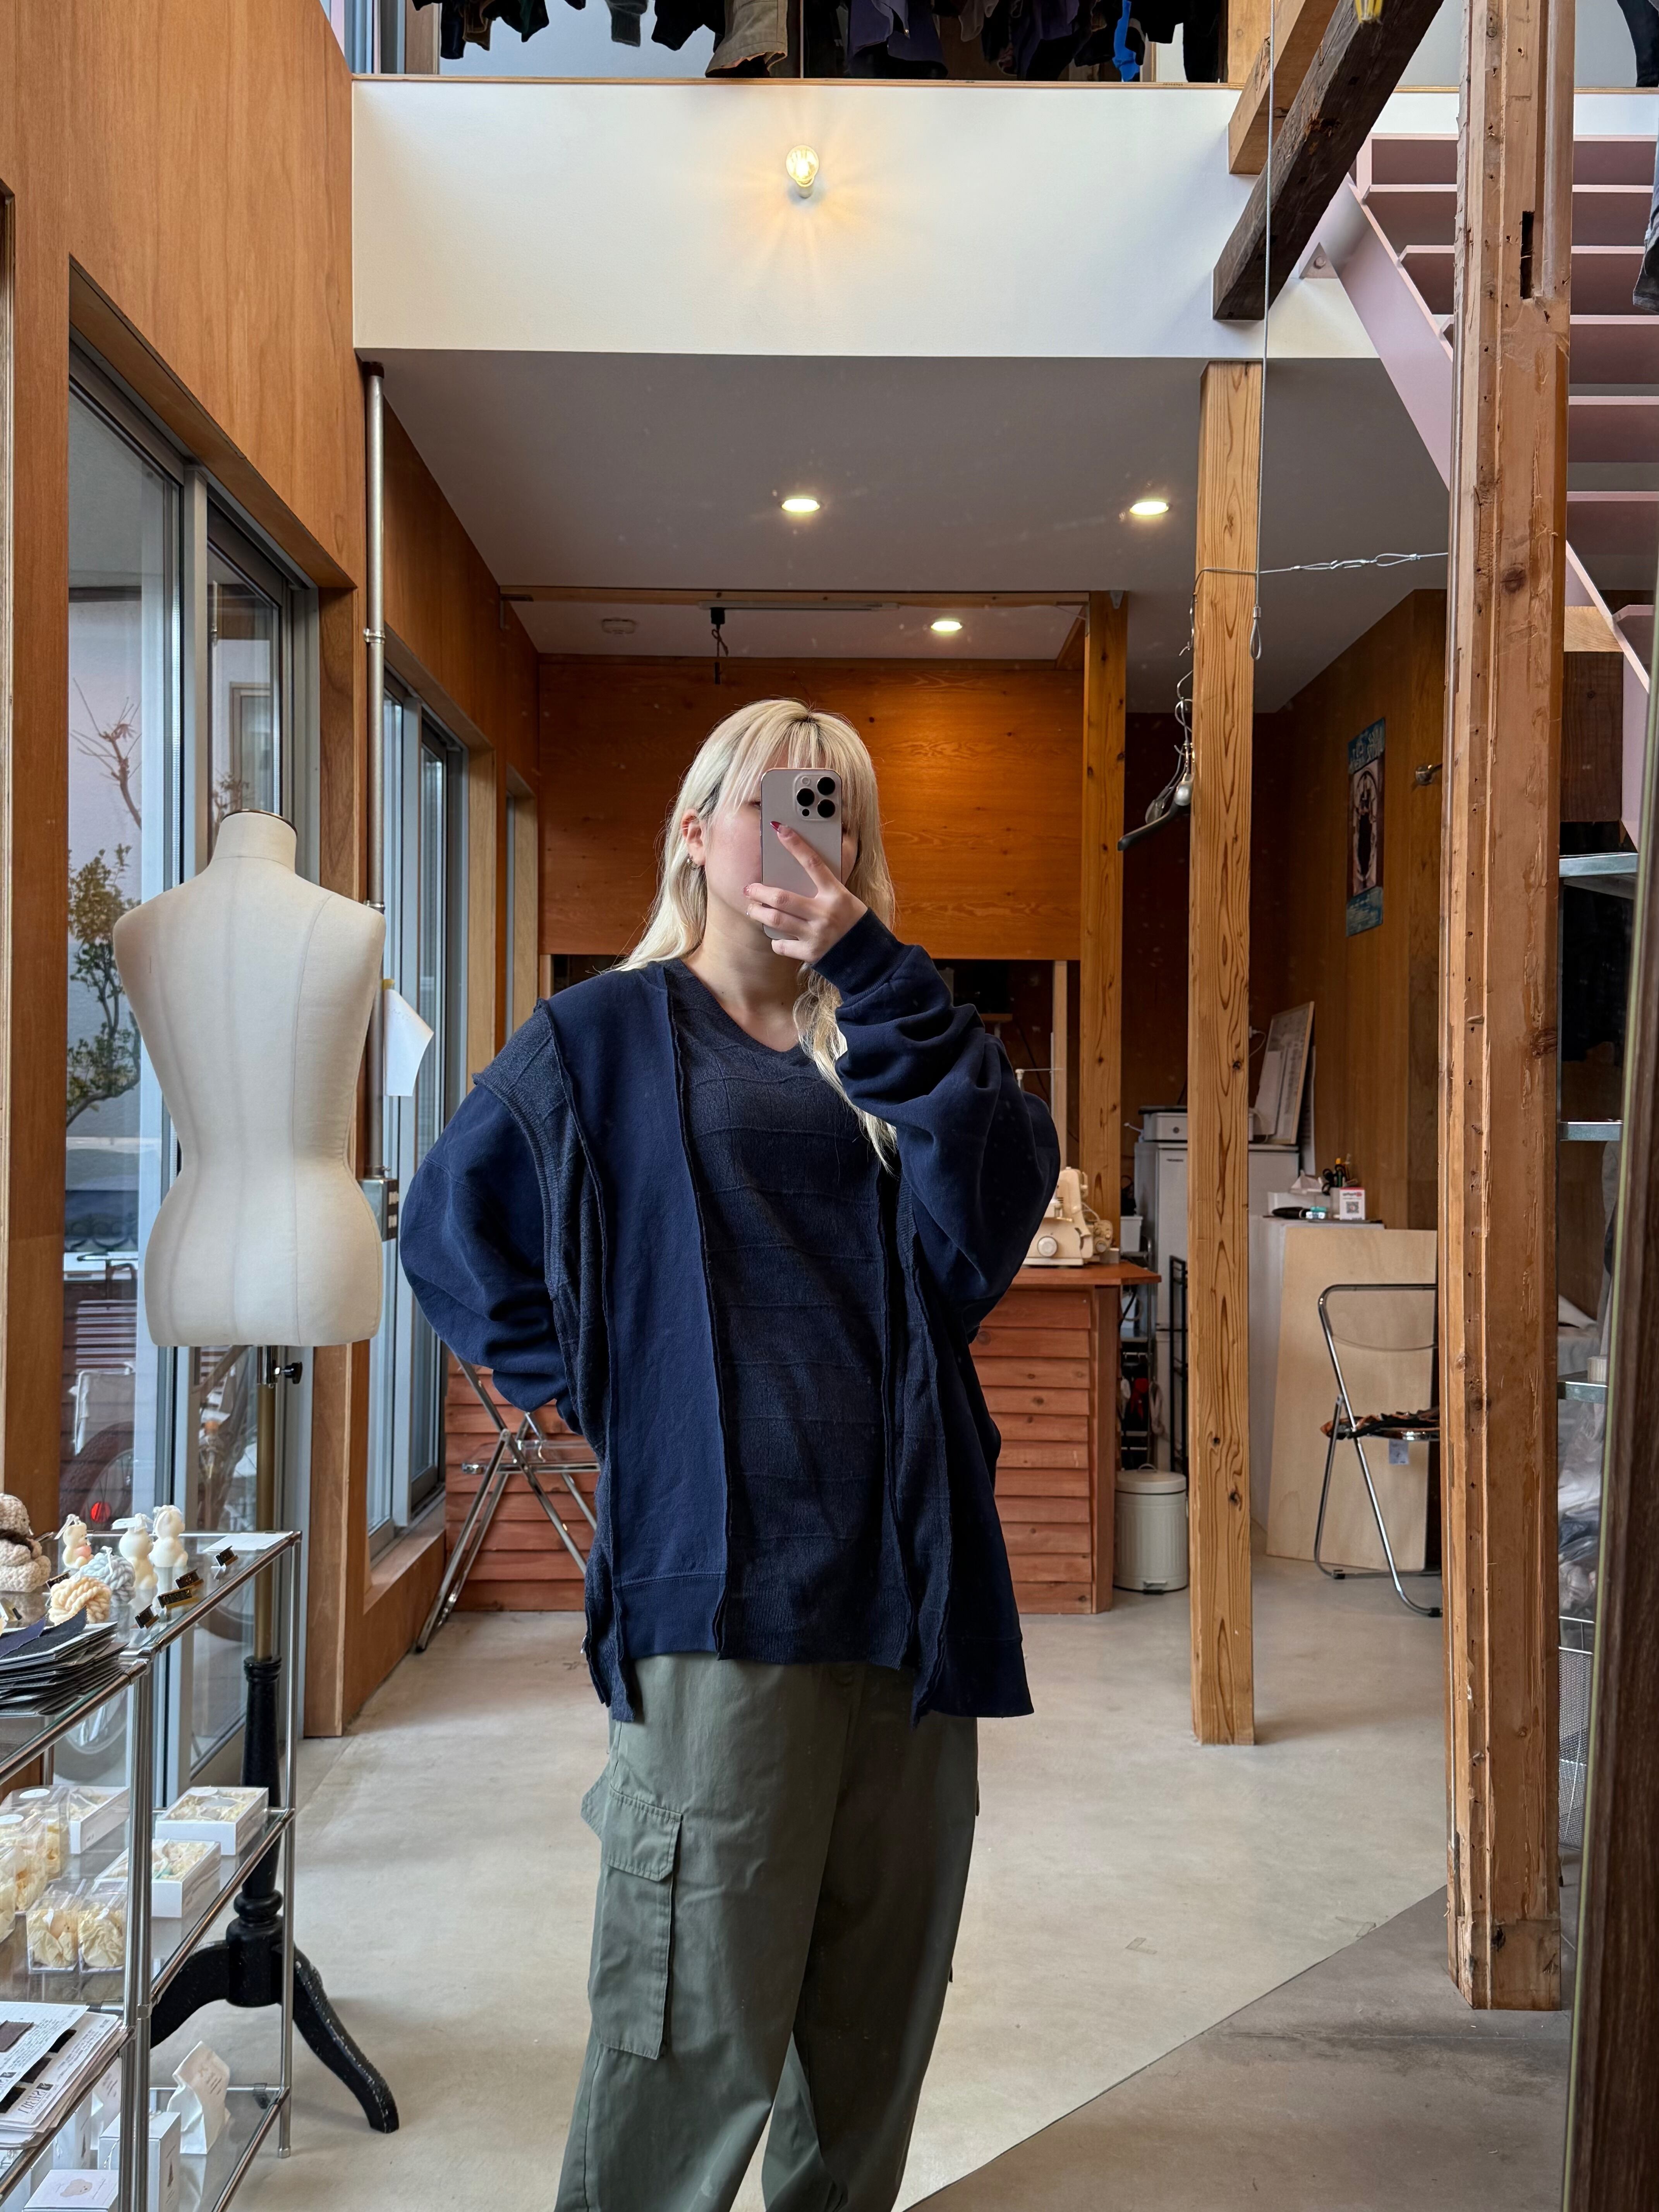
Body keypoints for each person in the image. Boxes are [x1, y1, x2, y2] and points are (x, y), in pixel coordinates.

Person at [399, 698, 1058, 2212]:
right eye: (769, 804)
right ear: (695, 833)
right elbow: (449, 1236)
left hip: (913, 1594)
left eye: (834, 812)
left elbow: (995, 1211)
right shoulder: (602, 1037)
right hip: (723, 1602)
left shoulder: (886, 1038)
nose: (800, 837)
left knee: (876, 2026)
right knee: (689, 2035)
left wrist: (873, 968)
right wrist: (620, 1402)